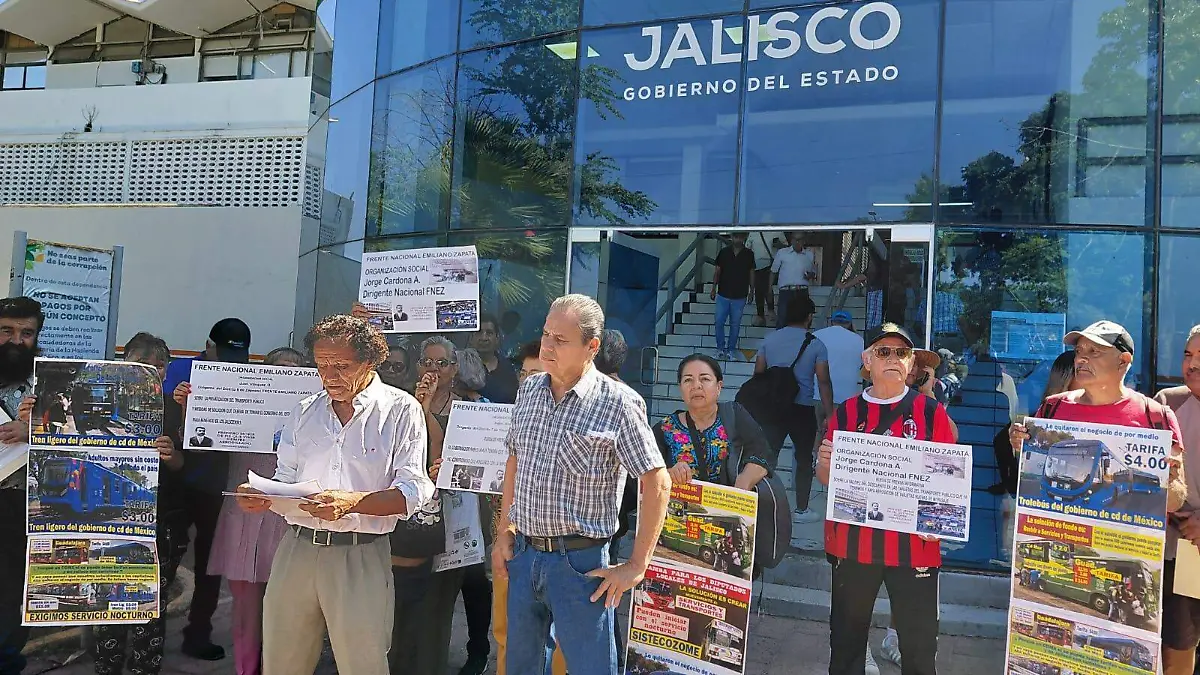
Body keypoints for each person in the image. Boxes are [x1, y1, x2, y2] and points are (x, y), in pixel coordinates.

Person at [236, 315, 434, 675]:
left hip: (359, 554)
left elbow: (414, 490)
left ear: (370, 362)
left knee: (363, 663)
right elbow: (286, 477)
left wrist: (352, 503)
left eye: (342, 366)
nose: (330, 376)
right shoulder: (305, 411)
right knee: (282, 661)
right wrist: (264, 495)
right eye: (322, 365)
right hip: (296, 549)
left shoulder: (401, 410)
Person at [495, 294, 671, 675]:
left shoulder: (619, 403)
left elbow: (657, 482)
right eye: (545, 334)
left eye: (560, 339)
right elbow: (514, 461)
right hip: (525, 555)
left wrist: (637, 564)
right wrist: (503, 530)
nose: (546, 346)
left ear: (591, 347)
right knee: (520, 665)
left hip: (580, 566)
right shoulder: (529, 391)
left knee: (591, 668)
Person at [816, 323, 957, 675]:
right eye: (883, 351)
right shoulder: (846, 413)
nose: (893, 358)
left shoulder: (932, 413)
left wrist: (938, 521)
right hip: (853, 547)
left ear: (912, 364)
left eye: (901, 353)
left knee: (920, 649)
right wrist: (823, 465)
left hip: (915, 549)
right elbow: (827, 480)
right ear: (867, 360)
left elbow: (948, 479)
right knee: (846, 647)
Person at [1008, 320, 1187, 513]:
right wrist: (1020, 443)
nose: (1081, 359)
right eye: (1078, 351)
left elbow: (1176, 502)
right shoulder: (1053, 407)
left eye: (1094, 352)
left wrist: (1170, 479)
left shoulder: (1156, 416)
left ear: (1123, 361)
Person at [392, 338, 493, 675]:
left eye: (441, 363)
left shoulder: (470, 409)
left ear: (454, 369)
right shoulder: (400, 402)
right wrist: (419, 404)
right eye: (427, 362)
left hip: (456, 517)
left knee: (439, 602)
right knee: (401, 602)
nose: (433, 370)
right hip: (408, 520)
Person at [205, 347, 304, 675]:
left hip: (289, 522)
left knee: (287, 612)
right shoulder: (242, 404)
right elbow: (201, 431)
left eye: (295, 370)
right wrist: (192, 404)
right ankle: (247, 670)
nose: (287, 376)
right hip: (243, 521)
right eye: (280, 369)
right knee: (246, 612)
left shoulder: (315, 418)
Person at [92, 334, 187, 675]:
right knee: (106, 597)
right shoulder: (98, 405)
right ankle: (106, 665)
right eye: (139, 364)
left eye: (158, 366)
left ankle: (145, 667)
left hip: (159, 521)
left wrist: (171, 454)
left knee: (150, 602)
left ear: (167, 370)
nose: (149, 371)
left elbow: (183, 467)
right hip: (106, 520)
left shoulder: (175, 408)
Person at [162, 318, 254, 661]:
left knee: (210, 564)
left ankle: (198, 632)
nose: (232, 362)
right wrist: (177, 400)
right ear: (209, 345)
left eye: (239, 355)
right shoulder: (181, 370)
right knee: (166, 558)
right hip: (176, 482)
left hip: (219, 485)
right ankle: (150, 633)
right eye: (226, 353)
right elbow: (161, 417)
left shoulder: (248, 374)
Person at [492, 341, 568, 675]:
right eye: (523, 374)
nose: (527, 381)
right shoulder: (496, 415)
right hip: (512, 539)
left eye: (535, 373)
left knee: (562, 639)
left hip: (561, 547)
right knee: (507, 630)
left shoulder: (574, 420)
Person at [754, 295, 833, 523]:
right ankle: (801, 509)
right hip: (802, 408)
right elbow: (824, 381)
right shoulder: (816, 344)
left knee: (768, 456)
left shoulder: (770, 340)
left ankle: (762, 503)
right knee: (803, 459)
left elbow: (758, 375)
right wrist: (829, 414)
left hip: (773, 409)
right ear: (809, 317)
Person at [654, 354, 773, 492]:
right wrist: (668, 474)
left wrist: (744, 481)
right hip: (679, 509)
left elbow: (762, 452)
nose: (696, 386)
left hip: (730, 508)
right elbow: (643, 472)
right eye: (688, 380)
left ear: (719, 386)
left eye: (705, 379)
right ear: (680, 388)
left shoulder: (734, 415)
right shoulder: (665, 428)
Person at [1153, 325, 1200, 675]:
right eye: (1188, 355)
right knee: (1180, 643)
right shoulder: (1166, 404)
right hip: (1183, 549)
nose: (1192, 364)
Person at [0, 297, 41, 675]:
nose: (16, 340)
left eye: (26, 333)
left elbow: (79, 434)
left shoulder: (49, 380)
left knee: (15, 589)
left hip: (24, 502)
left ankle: (8, 659)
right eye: (7, 331)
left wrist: (33, 430)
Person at [987, 352, 1076, 496]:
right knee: (1003, 441)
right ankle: (1010, 483)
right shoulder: (1046, 375)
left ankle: (1012, 484)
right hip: (1036, 415)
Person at [711, 233, 756, 360]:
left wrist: (752, 291)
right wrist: (713, 288)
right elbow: (717, 271)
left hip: (740, 295)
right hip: (723, 293)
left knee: (735, 324)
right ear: (732, 237)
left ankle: (731, 350)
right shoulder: (724, 252)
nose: (738, 239)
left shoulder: (749, 254)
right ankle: (720, 348)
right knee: (719, 321)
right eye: (736, 237)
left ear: (744, 238)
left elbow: (752, 273)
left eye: (740, 237)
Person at [814, 310, 866, 410]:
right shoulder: (859, 340)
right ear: (850, 323)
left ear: (831, 321)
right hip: (846, 397)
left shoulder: (817, 335)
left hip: (818, 395)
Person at [771, 232, 817, 329]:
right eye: (794, 239)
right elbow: (773, 271)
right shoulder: (782, 253)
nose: (797, 242)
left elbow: (813, 272)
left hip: (802, 291)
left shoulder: (809, 255)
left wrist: (810, 275)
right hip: (786, 291)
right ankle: (780, 343)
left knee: (803, 319)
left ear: (804, 241)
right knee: (782, 319)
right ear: (791, 240)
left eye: (799, 240)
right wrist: (769, 288)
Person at [473, 313, 519, 404]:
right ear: (472, 337)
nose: (484, 337)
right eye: (479, 332)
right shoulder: (461, 366)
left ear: (497, 338)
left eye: (489, 333)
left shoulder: (508, 368)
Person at [747, 232, 776, 327]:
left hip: (770, 263)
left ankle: (769, 311)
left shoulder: (777, 230)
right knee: (759, 288)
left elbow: (784, 246)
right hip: (756, 264)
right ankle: (762, 314)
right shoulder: (754, 232)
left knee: (767, 286)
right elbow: (748, 247)